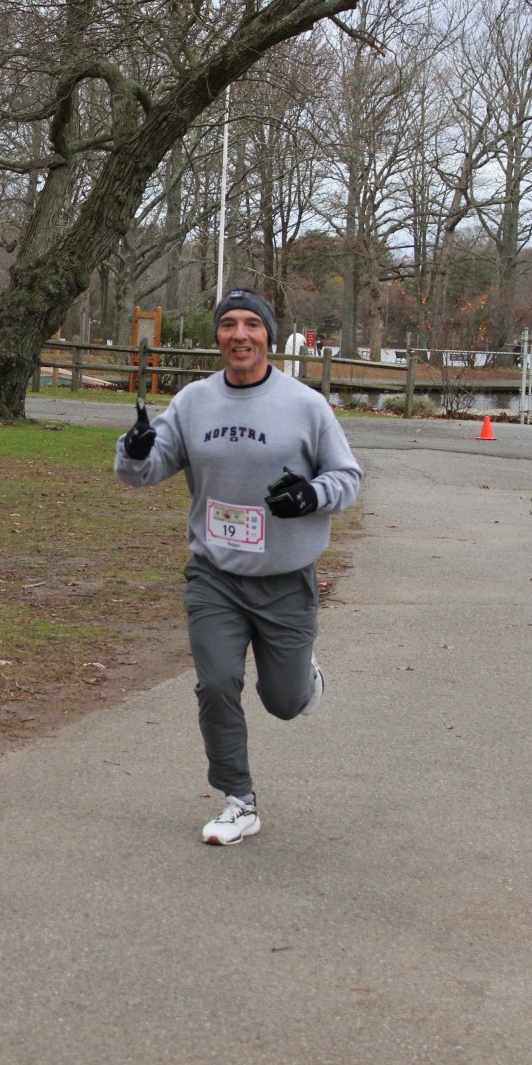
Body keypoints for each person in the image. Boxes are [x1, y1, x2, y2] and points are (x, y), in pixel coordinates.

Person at [114, 288, 362, 846]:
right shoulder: (194, 402)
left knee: (284, 702)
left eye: (252, 323)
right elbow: (142, 472)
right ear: (219, 335)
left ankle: (302, 679)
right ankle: (238, 799)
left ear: (268, 335)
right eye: (229, 324)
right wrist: (134, 450)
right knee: (217, 683)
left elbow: (347, 477)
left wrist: (311, 495)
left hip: (284, 579)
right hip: (215, 576)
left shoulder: (305, 405)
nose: (240, 334)